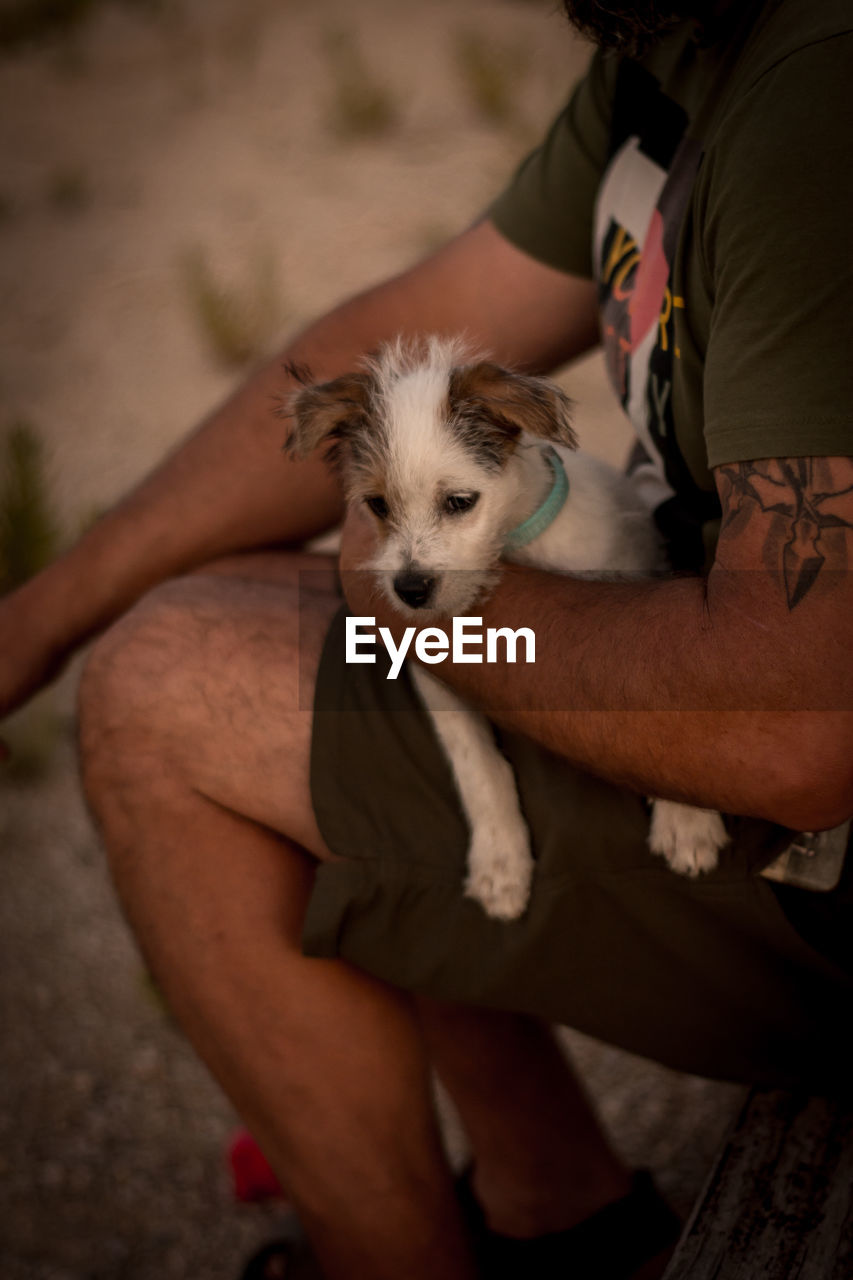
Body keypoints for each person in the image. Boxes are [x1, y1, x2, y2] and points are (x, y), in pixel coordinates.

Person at [3, 0, 853, 1276]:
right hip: (705, 673)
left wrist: (434, 619)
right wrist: (43, 610)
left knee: (164, 690)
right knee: (231, 599)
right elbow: (404, 327)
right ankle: (555, 1208)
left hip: (815, 848)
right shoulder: (666, 56)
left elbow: (798, 725)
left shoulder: (813, 97)